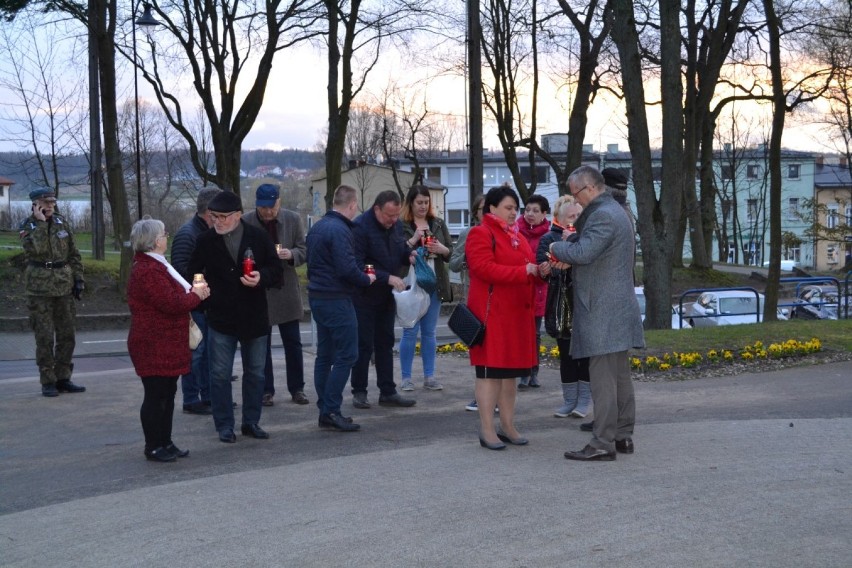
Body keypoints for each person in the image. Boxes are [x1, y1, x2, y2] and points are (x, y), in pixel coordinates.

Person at [549, 166, 644, 461]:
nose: (576, 203)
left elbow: (584, 253)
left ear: (589, 188)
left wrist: (555, 246)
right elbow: (595, 250)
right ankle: (622, 436)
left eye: (576, 195)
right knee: (619, 377)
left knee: (603, 378)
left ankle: (602, 442)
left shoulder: (603, 214)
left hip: (603, 309)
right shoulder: (616, 211)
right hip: (616, 307)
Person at [187, 190, 283, 444]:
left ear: (238, 215)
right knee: (219, 374)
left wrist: (261, 277)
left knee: (256, 373)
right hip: (221, 318)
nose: (217, 221)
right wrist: (201, 290)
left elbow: (276, 270)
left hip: (254, 316)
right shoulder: (206, 240)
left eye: (222, 216)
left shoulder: (258, 237)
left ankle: (251, 422)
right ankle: (224, 425)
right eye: (213, 216)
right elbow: (193, 272)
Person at [466, 185, 548, 450]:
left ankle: (508, 425)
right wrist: (525, 271)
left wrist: (540, 271)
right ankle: (487, 429)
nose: (515, 213)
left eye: (516, 208)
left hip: (516, 315)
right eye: (508, 208)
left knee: (510, 375)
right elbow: (484, 269)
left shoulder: (518, 237)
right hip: (493, 317)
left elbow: (526, 269)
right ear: (492, 208)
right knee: (490, 374)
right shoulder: (481, 233)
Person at [127, 218, 210, 462]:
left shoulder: (156, 266)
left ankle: (166, 441)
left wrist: (194, 295)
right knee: (156, 396)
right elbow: (171, 304)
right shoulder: (147, 270)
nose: (167, 236)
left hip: (165, 342)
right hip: (153, 343)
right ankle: (154, 445)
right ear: (154, 241)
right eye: (164, 233)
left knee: (167, 394)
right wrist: (196, 296)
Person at [306, 185, 375, 432]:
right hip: (336, 299)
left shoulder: (318, 226)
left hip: (317, 296)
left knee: (325, 356)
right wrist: (366, 279)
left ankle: (325, 408)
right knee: (348, 355)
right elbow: (346, 268)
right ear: (353, 205)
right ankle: (332, 409)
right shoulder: (341, 230)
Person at [243, 183, 309, 407]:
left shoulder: (293, 219)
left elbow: (304, 249)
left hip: (287, 290)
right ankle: (266, 390)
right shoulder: (247, 221)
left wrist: (291, 254)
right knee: (262, 345)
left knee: (293, 343)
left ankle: (297, 388)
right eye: (263, 208)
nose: (268, 212)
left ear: (279, 202)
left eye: (271, 207)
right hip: (259, 292)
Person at [350, 190, 417, 409]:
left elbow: (399, 250)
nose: (393, 220)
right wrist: (385, 277)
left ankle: (387, 391)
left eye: (397, 215)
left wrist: (409, 255)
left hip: (388, 297)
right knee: (363, 345)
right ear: (377, 209)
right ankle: (359, 391)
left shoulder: (396, 226)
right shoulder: (360, 228)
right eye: (389, 215)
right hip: (364, 297)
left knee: (386, 343)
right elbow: (357, 265)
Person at [19, 187, 86, 397]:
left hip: (63, 285)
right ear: (35, 204)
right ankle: (48, 380)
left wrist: (78, 280)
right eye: (45, 202)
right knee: (45, 337)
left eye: (52, 202)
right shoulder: (28, 226)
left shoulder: (61, 222)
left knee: (67, 335)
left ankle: (63, 377)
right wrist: (40, 222)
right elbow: (35, 250)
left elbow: (74, 253)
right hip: (40, 288)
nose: (50, 205)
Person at [537, 196, 591, 418]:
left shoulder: (588, 237)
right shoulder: (549, 238)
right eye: (571, 216)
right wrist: (545, 268)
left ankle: (584, 402)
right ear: (559, 218)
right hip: (560, 303)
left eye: (579, 215)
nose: (576, 219)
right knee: (566, 354)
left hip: (584, 303)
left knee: (585, 354)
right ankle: (569, 400)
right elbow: (542, 264)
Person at [170, 187, 221, 415]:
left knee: (208, 352)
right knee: (196, 352)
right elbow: (181, 272)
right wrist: (208, 281)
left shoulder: (205, 232)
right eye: (220, 213)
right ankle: (191, 399)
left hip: (207, 303)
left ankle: (209, 396)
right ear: (210, 213)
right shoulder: (188, 234)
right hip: (195, 304)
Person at [399, 185, 453, 391]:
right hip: (412, 284)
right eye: (419, 202)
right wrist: (414, 239)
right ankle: (406, 379)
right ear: (411, 203)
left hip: (434, 284)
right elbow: (397, 252)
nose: (423, 206)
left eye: (426, 202)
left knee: (429, 333)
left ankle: (430, 377)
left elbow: (451, 252)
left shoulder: (438, 223)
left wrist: (441, 249)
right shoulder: (402, 225)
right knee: (409, 331)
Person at [448, 195, 487, 412]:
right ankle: (481, 396)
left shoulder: (505, 233)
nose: (486, 213)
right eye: (482, 209)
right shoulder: (468, 233)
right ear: (475, 212)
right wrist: (469, 259)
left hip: (499, 298)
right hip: (476, 297)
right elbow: (454, 264)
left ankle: (497, 397)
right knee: (481, 347)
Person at [516, 194, 551, 389]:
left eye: (535, 211)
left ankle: (533, 371)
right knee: (520, 333)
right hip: (518, 289)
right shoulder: (516, 231)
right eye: (527, 210)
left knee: (534, 334)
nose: (530, 214)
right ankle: (522, 372)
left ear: (544, 214)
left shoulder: (548, 235)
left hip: (538, 290)